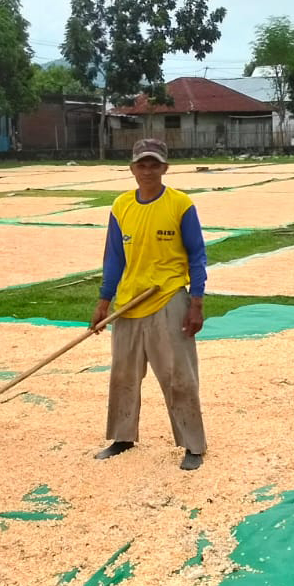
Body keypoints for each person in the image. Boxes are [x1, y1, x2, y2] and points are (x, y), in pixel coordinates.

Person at [89, 138, 208, 471]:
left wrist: (196, 302)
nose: (148, 171)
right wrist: (104, 301)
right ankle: (122, 437)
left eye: (154, 164)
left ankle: (193, 444)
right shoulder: (121, 206)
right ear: (132, 169)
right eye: (142, 165)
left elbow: (197, 255)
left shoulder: (180, 204)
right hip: (129, 303)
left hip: (168, 297)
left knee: (179, 375)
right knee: (123, 374)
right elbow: (114, 257)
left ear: (165, 168)